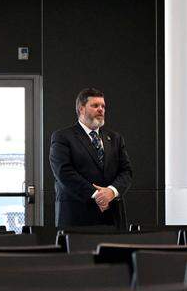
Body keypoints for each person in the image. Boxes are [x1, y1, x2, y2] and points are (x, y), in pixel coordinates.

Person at [50, 88, 133, 228]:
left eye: (103, 106)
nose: (101, 109)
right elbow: (64, 173)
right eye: (95, 105)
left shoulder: (115, 138)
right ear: (81, 109)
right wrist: (98, 196)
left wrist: (111, 191)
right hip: (77, 215)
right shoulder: (62, 137)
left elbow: (126, 172)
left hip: (112, 216)